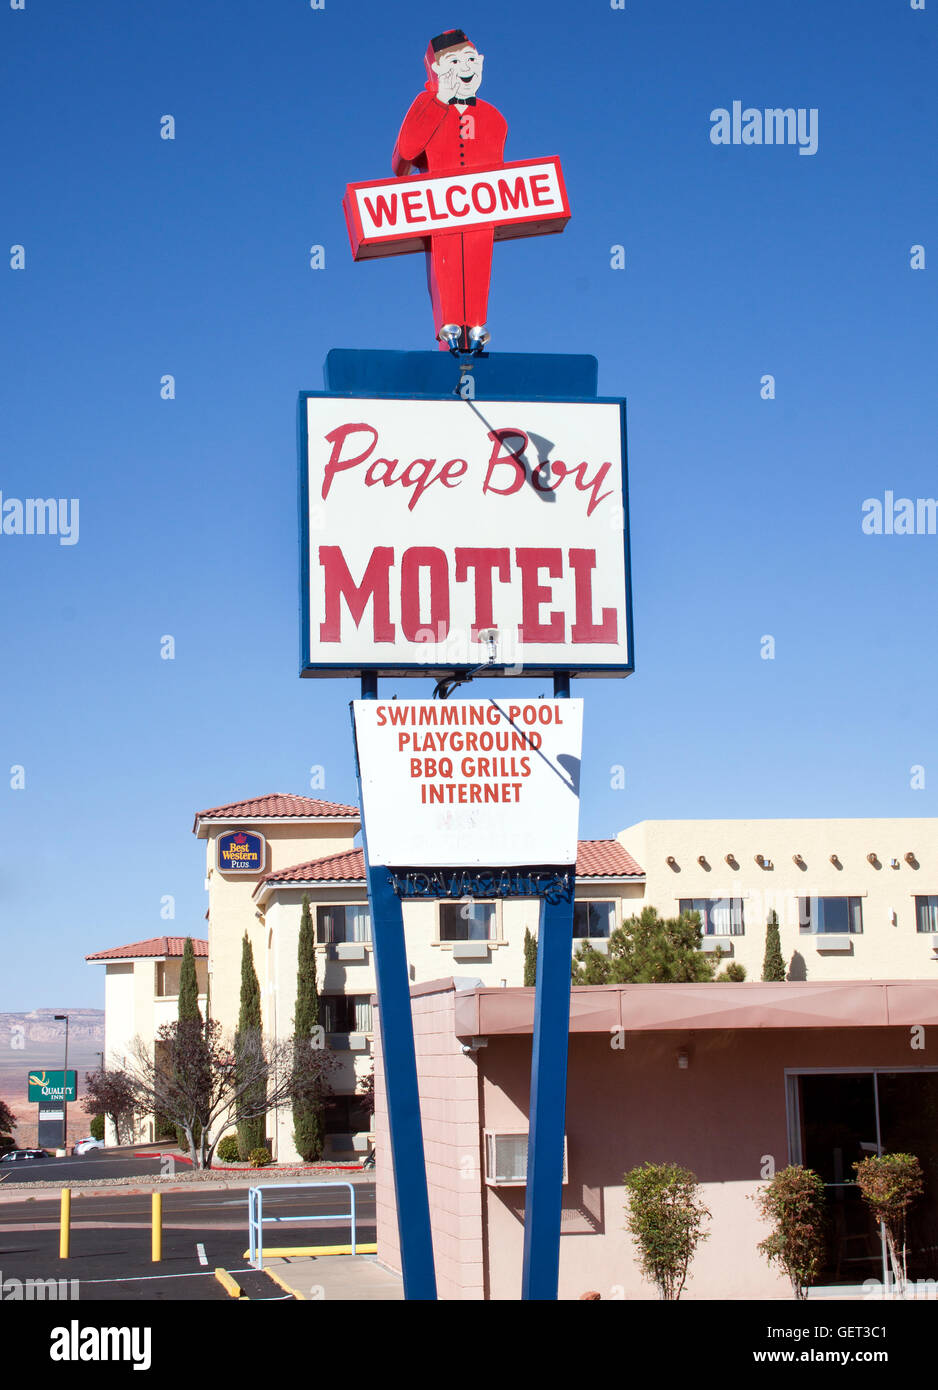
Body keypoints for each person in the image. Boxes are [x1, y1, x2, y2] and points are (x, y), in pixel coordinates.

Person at [392, 29, 508, 351]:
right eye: (453, 62)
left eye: (470, 60)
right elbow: (404, 155)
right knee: (444, 260)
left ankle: (477, 325)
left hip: (479, 207)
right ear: (437, 69)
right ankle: (451, 324)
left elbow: (496, 168)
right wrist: (439, 101)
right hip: (439, 206)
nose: (464, 68)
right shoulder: (427, 106)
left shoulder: (493, 117)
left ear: (480, 62)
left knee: (478, 254)